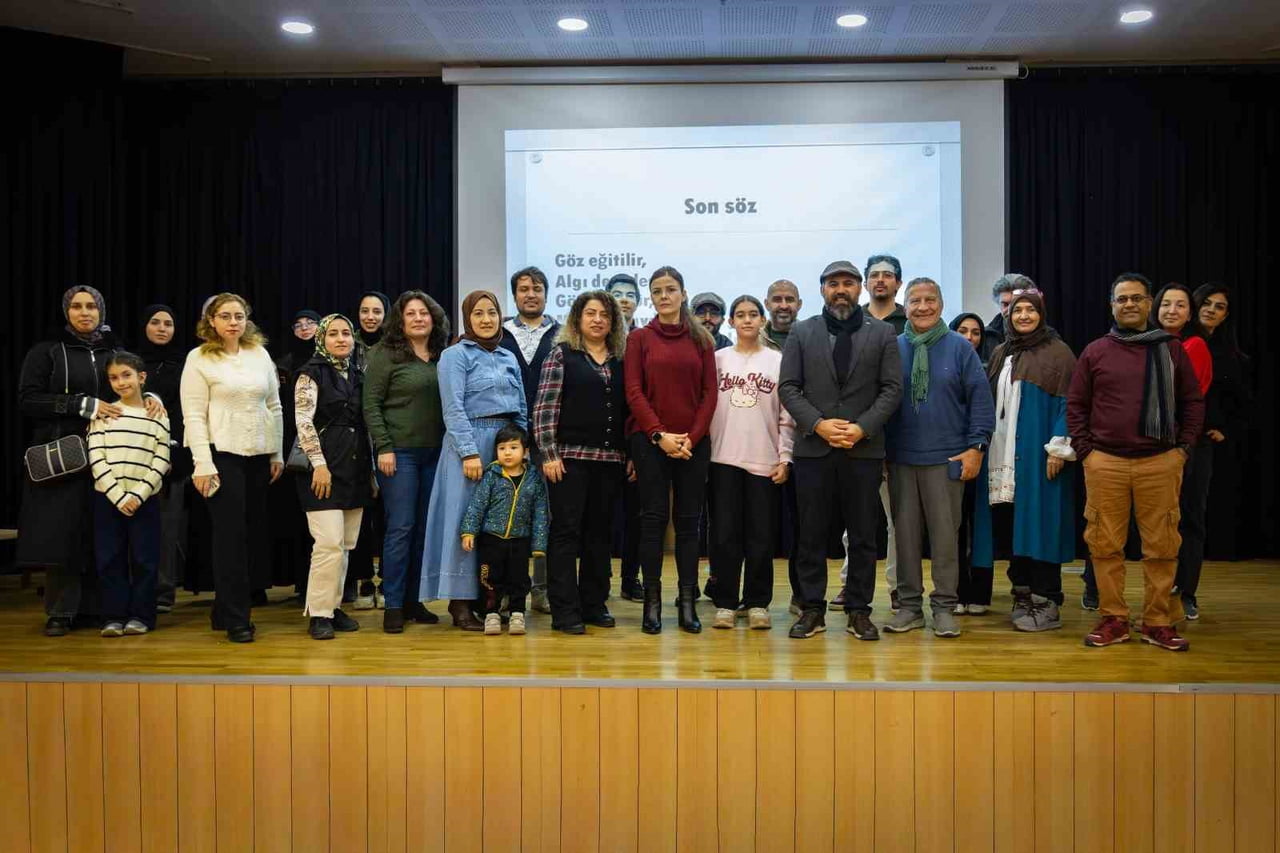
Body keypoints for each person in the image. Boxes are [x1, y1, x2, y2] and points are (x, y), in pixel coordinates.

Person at [1068, 273, 1204, 652]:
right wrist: (1087, 452)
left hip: (1160, 462)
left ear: (1148, 304)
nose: (1129, 304)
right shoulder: (1095, 351)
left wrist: (1183, 449)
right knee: (1104, 545)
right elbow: (1076, 405)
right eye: (1121, 299)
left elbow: (1192, 402)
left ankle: (1158, 621)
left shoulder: (1171, 350)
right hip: (1105, 463)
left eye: (1136, 298)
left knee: (1162, 546)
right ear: (1112, 305)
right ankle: (1114, 618)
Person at [779, 260, 902, 640]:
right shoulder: (802, 332)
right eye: (834, 284)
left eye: (848, 283)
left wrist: (862, 428)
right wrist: (818, 424)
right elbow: (788, 388)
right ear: (822, 290)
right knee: (811, 534)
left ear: (860, 289)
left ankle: (859, 610)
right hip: (814, 449)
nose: (841, 290)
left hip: (862, 451)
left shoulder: (881, 333)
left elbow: (891, 389)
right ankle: (812, 608)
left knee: (864, 535)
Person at [18, 286, 151, 636]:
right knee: (63, 533)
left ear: (101, 311)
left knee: (104, 535)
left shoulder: (116, 351)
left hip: (111, 453)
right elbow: (28, 400)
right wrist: (80, 404)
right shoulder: (47, 351)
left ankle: (99, 609)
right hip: (64, 454)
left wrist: (151, 398)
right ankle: (61, 611)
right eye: (76, 306)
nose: (84, 312)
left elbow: (134, 384)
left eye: (91, 306)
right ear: (66, 312)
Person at [881, 278, 994, 638]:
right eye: (915, 301)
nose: (923, 307)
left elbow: (980, 401)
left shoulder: (961, 349)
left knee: (946, 539)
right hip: (900, 458)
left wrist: (976, 447)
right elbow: (881, 402)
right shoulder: (892, 347)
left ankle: (944, 606)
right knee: (906, 538)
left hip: (948, 459)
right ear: (905, 306)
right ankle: (910, 607)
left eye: (930, 300)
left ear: (942, 305)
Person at [420, 290, 527, 630]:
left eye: (492, 312)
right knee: (465, 523)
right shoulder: (455, 355)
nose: (485, 319)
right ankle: (460, 603)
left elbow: (521, 407)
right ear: (468, 318)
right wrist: (468, 451)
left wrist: (521, 450)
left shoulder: (509, 356)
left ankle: (491, 600)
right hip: (469, 446)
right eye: (478, 313)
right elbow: (452, 408)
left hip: (505, 447)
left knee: (497, 528)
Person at [181, 293, 284, 643]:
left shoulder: (259, 353)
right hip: (220, 455)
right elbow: (193, 415)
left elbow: (275, 406)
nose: (233, 322)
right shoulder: (198, 358)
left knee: (252, 535)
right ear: (212, 321)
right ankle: (238, 618)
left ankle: (224, 610)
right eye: (225, 316)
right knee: (230, 539)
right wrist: (202, 463)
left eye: (239, 316)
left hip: (258, 454)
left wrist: (277, 455)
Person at [971, 290, 1077, 631]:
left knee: (1041, 525)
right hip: (1002, 454)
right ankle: (1022, 594)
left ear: (1042, 314)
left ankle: (1047, 601)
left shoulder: (1059, 353)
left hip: (1038, 455)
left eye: (1031, 310)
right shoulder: (1002, 352)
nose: (1024, 316)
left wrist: (1059, 448)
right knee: (1013, 524)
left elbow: (1071, 404)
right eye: (1019, 311)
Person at [625, 266, 717, 634]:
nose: (664, 296)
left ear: (683, 294)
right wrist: (659, 435)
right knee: (652, 521)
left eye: (671, 289)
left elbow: (710, 394)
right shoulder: (639, 339)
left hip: (693, 444)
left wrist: (690, 439)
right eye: (657, 290)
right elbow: (634, 391)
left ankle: (687, 601)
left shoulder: (703, 339)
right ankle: (652, 602)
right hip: (650, 443)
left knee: (689, 524)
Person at [534, 290, 629, 634]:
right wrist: (548, 452)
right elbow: (545, 408)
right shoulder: (561, 355)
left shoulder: (621, 358)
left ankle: (593, 603)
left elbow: (626, 411)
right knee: (565, 534)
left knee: (600, 536)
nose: (598, 319)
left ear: (613, 322)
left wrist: (629, 455)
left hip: (610, 460)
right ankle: (565, 610)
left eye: (605, 314)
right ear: (577, 318)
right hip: (568, 460)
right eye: (590, 313)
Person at [363, 290, 449, 633]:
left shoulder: (444, 353)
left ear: (433, 318)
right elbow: (370, 405)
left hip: (436, 455)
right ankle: (394, 604)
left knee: (424, 531)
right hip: (398, 454)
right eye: (411, 313)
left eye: (424, 313)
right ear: (400, 319)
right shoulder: (385, 354)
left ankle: (415, 600)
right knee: (401, 528)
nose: (418, 318)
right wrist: (383, 447)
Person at [707, 295, 794, 630]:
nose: (746, 320)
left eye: (752, 314)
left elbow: (787, 416)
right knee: (725, 534)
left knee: (760, 535)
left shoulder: (777, 361)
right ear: (730, 321)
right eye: (740, 315)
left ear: (762, 320)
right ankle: (726, 602)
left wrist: (785, 457)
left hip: (765, 460)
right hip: (722, 458)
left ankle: (757, 602)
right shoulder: (717, 360)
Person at [832, 253, 908, 611]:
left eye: (887, 275)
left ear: (897, 282)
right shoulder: (850, 320)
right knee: (855, 520)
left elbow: (894, 387)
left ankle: (897, 587)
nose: (881, 280)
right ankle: (849, 584)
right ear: (866, 282)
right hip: (853, 437)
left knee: (896, 521)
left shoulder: (911, 322)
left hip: (897, 434)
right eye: (874, 275)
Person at [293, 314, 374, 640]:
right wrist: (319, 465)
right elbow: (304, 423)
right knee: (327, 543)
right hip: (323, 469)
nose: (341, 339)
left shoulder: (358, 374)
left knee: (345, 545)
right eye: (333, 334)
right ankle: (319, 614)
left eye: (346, 334)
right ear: (322, 339)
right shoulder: (309, 374)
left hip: (355, 468)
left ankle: (332, 605)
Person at [88, 352, 171, 637]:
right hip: (108, 500)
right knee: (109, 558)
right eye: (113, 377)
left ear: (141, 377)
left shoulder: (157, 415)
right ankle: (113, 616)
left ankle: (141, 615)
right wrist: (118, 496)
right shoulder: (104, 414)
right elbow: (96, 457)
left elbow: (161, 459)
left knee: (145, 560)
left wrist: (138, 493)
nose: (120, 382)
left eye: (126, 375)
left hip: (144, 500)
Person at [1182, 283, 1251, 617]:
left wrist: (1225, 429)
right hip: (1171, 442)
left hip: (1202, 445)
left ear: (1226, 315)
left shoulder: (1231, 354)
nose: (1211, 309)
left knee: (1193, 518)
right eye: (1206, 303)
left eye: (1219, 306)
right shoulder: (1179, 341)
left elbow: (1242, 401)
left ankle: (1187, 591)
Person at [498, 266, 561, 614]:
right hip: (506, 439)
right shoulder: (499, 332)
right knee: (507, 516)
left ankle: (542, 589)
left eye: (537, 288)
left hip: (549, 439)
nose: (530, 294)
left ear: (546, 294)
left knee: (545, 516)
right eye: (523, 289)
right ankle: (508, 590)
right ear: (515, 294)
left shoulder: (562, 333)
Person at [461, 425, 549, 635]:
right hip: (492, 539)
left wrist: (539, 545)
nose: (507, 452)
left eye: (513, 447)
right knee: (490, 579)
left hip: (520, 540)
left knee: (519, 579)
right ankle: (491, 613)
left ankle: (517, 613)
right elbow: (477, 505)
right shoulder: (492, 475)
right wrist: (469, 531)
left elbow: (540, 513)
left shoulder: (534, 479)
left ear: (525, 451)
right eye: (502, 448)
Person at [136, 304, 189, 614]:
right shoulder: (129, 361)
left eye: (168, 324)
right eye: (155, 322)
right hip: (133, 453)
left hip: (174, 453)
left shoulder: (184, 364)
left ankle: (163, 592)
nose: (161, 328)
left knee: (168, 527)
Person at [347, 289, 392, 610]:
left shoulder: (394, 346)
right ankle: (363, 580)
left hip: (389, 435)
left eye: (377, 311)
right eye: (365, 311)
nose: (371, 317)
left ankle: (389, 580)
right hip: (354, 437)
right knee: (360, 513)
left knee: (391, 515)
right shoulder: (347, 343)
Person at [605, 273, 646, 602]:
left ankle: (631, 578)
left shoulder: (643, 340)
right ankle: (599, 580)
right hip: (597, 444)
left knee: (637, 517)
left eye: (630, 293)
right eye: (616, 293)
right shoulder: (596, 339)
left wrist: (635, 449)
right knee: (600, 517)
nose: (624, 298)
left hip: (633, 441)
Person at [948, 312, 990, 614]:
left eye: (976, 333)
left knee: (980, 528)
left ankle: (979, 593)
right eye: (963, 331)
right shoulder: (947, 364)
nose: (969, 338)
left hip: (982, 454)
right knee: (954, 526)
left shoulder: (992, 366)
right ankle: (957, 591)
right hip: (949, 453)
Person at [982, 274, 1032, 361]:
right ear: (998, 303)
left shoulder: (1048, 339)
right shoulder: (986, 336)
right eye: (1005, 304)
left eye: (1015, 304)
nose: (1010, 310)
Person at [762, 279, 801, 351]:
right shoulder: (753, 340)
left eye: (789, 300)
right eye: (777, 300)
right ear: (767, 304)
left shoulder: (811, 338)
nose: (784, 306)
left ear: (799, 304)